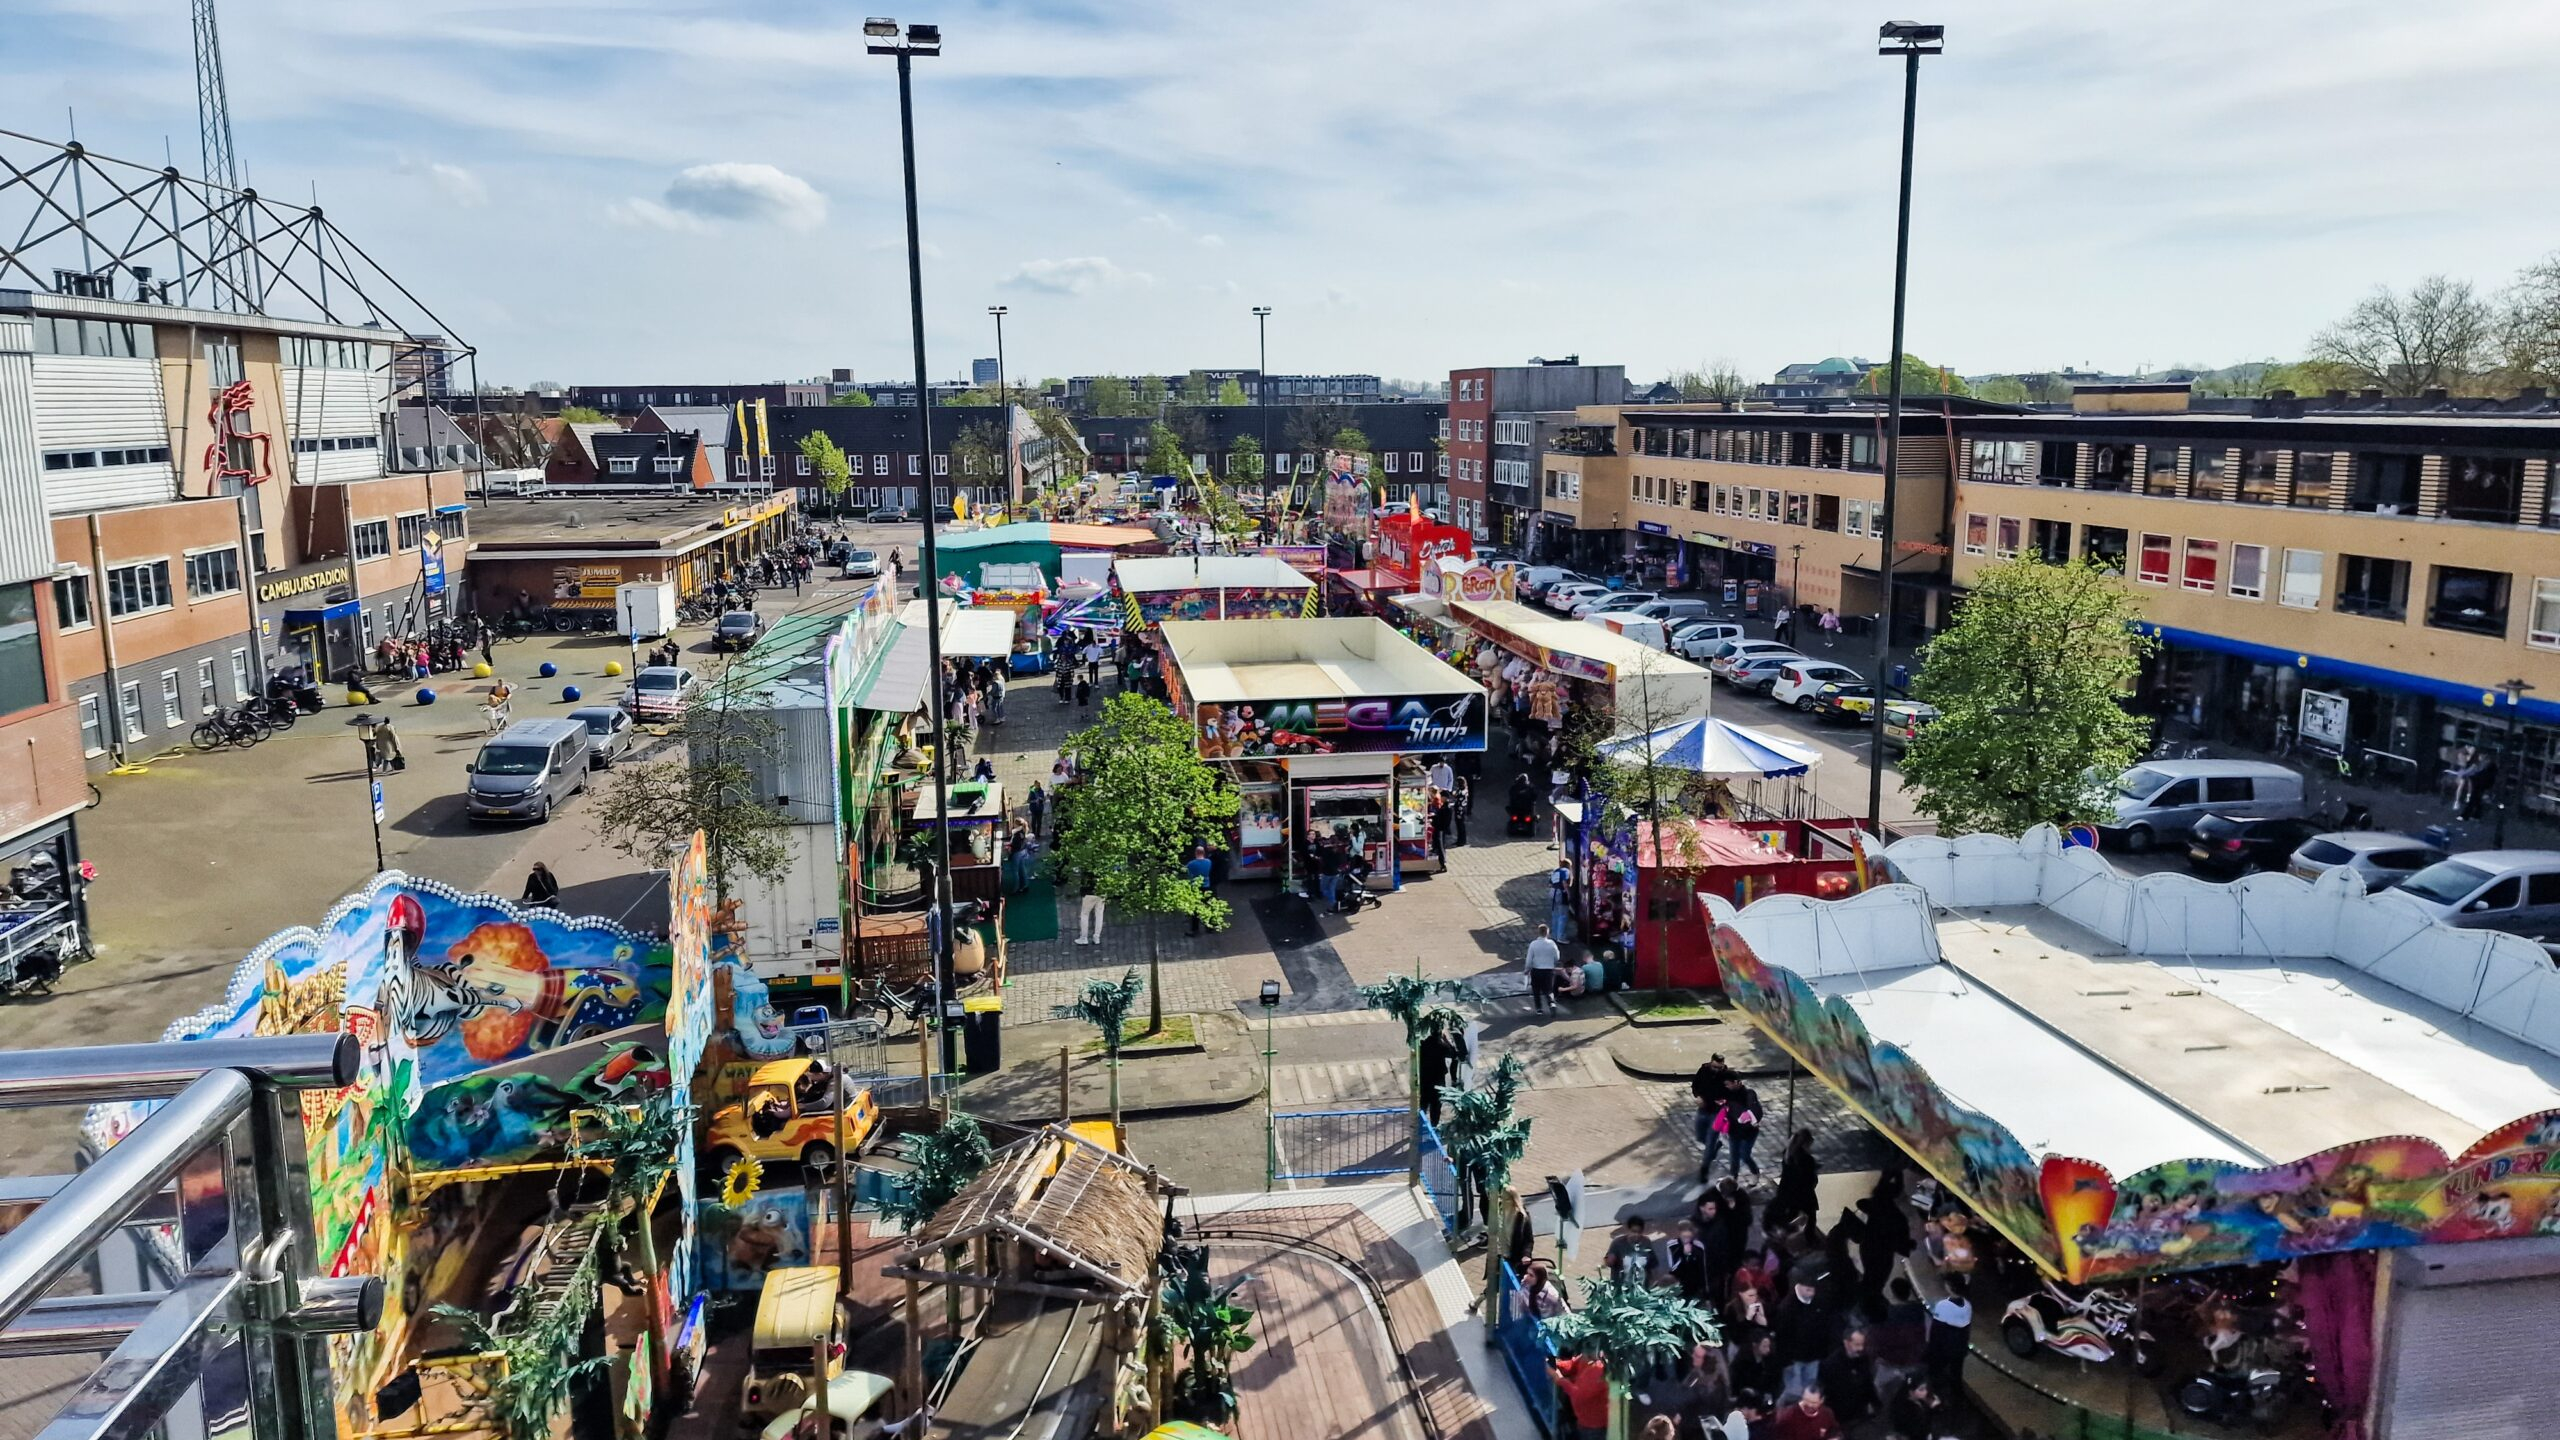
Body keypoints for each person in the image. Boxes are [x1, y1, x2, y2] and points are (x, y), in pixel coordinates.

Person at [1772, 1276, 1835, 1404]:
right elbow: (1782, 1336)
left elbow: (1824, 1328)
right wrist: (1786, 1360)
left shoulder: (1818, 1302)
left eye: (1813, 1290)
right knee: (1793, 1393)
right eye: (1808, 1290)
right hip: (1794, 1359)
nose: (1811, 1293)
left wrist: (1822, 1352)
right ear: (1799, 1286)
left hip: (1813, 1356)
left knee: (1809, 1389)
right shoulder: (1786, 1307)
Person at [1815, 1329, 1877, 1430]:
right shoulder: (1830, 1365)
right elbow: (1825, 1392)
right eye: (1857, 1344)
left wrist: (1874, 1402)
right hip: (1839, 1416)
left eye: (1862, 1344)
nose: (1861, 1348)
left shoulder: (1863, 1359)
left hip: (1859, 1413)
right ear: (1846, 1343)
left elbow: (1867, 1382)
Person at [1922, 1274, 1971, 1397]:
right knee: (1956, 1374)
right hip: (1959, 1347)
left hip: (1943, 1348)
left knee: (1937, 1373)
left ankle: (1938, 1397)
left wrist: (1931, 1349)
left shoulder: (1943, 1305)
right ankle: (1957, 1397)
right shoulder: (1967, 1305)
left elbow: (1936, 1330)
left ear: (1949, 1286)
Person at [1692, 1056, 1735, 1180]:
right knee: (1700, 1137)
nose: (1716, 1070)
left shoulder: (1727, 1076)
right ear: (1711, 1063)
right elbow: (1695, 1085)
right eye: (1714, 1067)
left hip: (1717, 1113)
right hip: (1703, 1109)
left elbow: (1732, 1093)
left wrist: (1725, 1101)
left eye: (1719, 1067)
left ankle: (1704, 1169)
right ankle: (1715, 1147)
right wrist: (1698, 1096)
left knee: (1710, 1142)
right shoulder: (1704, 1070)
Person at [1552, 1354, 1611, 1440]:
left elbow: (1579, 1395)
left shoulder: (1603, 1375)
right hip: (1580, 1420)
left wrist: (1559, 1379)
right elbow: (1573, 1365)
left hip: (1593, 1428)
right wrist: (1555, 1364)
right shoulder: (1590, 1355)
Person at [1728, 1329, 1783, 1414]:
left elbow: (1775, 1381)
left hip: (1763, 1398)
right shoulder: (1741, 1362)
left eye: (1769, 1346)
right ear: (1754, 1345)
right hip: (1744, 1398)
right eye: (1764, 1346)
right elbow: (1735, 1382)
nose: (1768, 1349)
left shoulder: (1771, 1362)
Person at [1419, 1020, 1462, 1126]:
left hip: (1425, 1079)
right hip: (1438, 1080)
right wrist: (1446, 1041)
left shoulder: (1424, 1044)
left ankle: (1420, 1125)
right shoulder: (1442, 1047)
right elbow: (1454, 1054)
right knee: (1435, 1106)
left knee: (1423, 1103)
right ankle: (1434, 1126)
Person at [1885, 1374, 1948, 1440]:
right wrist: (1932, 1411)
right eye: (1921, 1389)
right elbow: (1919, 1430)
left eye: (1925, 1388)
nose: (1925, 1392)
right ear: (1911, 1392)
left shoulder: (1921, 1400)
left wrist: (1938, 1407)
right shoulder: (1903, 1408)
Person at [1767, 1386, 1840, 1440]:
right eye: (1807, 1400)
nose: (1809, 1405)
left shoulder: (1827, 1413)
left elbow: (1834, 1432)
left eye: (1814, 1402)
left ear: (1821, 1400)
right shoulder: (1788, 1415)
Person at [1664, 1219, 1709, 1303]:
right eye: (1683, 1232)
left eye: (1689, 1232)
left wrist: (1706, 1293)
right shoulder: (1672, 1245)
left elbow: (1703, 1270)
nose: (1686, 1236)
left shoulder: (1699, 1246)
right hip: (1679, 1287)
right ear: (1679, 1233)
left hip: (1695, 1287)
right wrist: (1684, 1254)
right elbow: (1673, 1268)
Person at [1604, 1217, 1657, 1288]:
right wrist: (1610, 1260)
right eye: (1634, 1231)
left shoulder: (1646, 1242)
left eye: (1639, 1232)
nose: (1636, 1235)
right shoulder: (1618, 1243)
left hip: (1641, 1287)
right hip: (1622, 1287)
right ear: (1628, 1230)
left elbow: (1652, 1263)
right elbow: (1609, 1261)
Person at [1726, 1088, 1765, 1181]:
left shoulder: (1749, 1094)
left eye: (1727, 1084)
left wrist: (1750, 1118)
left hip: (1749, 1132)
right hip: (1734, 1131)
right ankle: (1733, 1176)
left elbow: (1757, 1111)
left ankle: (1755, 1171)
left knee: (1744, 1155)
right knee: (1734, 1155)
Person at [1524, 924, 1563, 1016]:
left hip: (1536, 970)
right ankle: (1551, 1003)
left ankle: (1539, 1009)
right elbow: (1557, 957)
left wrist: (1527, 969)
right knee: (1548, 989)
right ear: (1547, 933)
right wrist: (1552, 963)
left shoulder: (1533, 944)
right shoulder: (1552, 943)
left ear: (1538, 932)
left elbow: (1529, 959)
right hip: (1548, 970)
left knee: (1536, 989)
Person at [1184, 844, 1215, 935]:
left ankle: (1195, 930)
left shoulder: (1191, 864)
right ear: (1204, 853)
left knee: (1195, 909)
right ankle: (1209, 927)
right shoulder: (1209, 862)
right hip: (1207, 886)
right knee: (1207, 906)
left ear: (1195, 853)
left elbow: (1188, 875)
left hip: (1196, 887)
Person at [1075, 871, 1106, 946]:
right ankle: (1096, 937)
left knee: (1084, 914)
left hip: (1089, 892)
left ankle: (1083, 938)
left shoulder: (1087, 863)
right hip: (1102, 891)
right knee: (1099, 915)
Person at [1549, 861, 1573, 941]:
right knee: (1563, 915)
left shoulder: (1556, 871)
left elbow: (1550, 883)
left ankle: (1554, 935)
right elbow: (1564, 882)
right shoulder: (1566, 871)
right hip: (1560, 893)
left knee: (1555, 914)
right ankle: (1561, 937)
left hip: (1552, 891)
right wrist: (1568, 893)